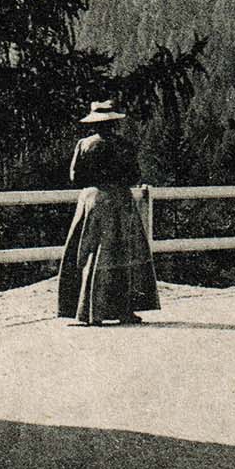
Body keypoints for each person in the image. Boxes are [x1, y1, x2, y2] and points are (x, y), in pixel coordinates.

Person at [56, 100, 161, 326]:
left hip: (92, 200)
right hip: (120, 200)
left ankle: (86, 311)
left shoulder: (84, 144)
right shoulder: (125, 145)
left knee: (89, 252)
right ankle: (123, 310)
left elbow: (75, 177)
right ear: (114, 123)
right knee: (122, 254)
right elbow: (134, 175)